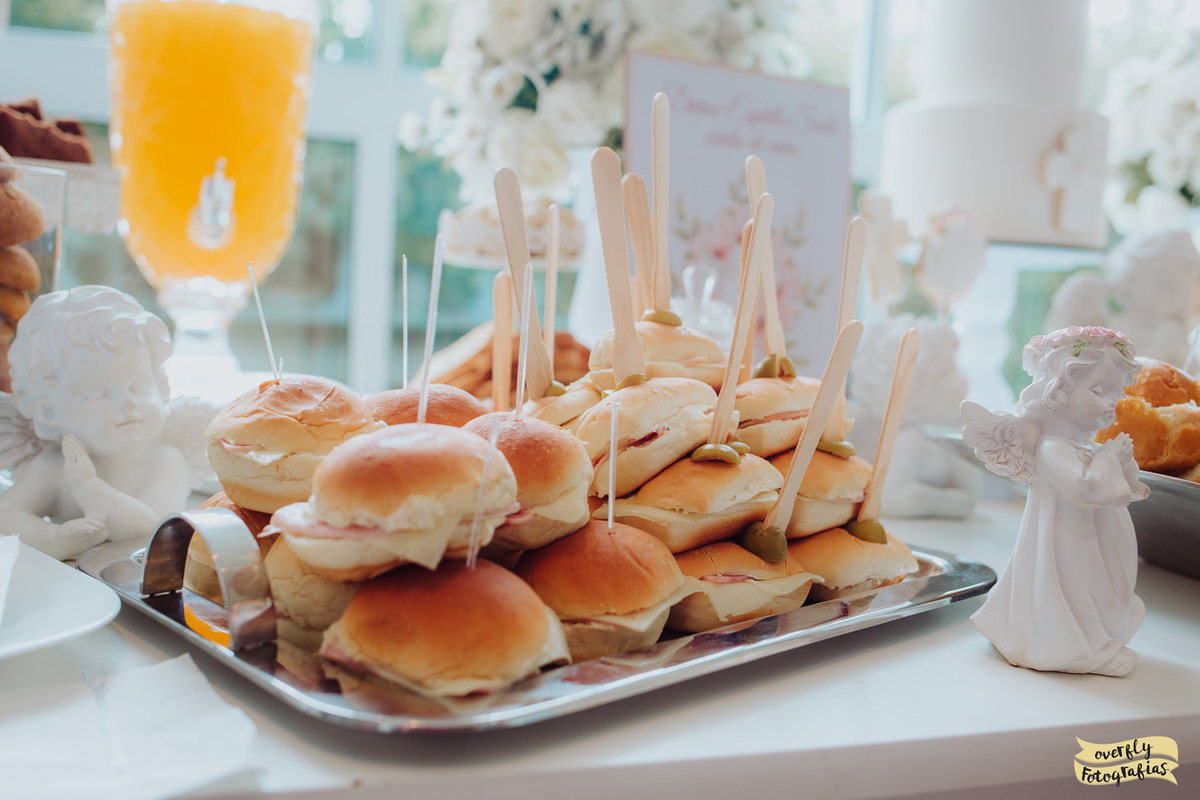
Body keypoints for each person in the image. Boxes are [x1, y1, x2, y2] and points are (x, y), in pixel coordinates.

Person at [962, 326, 1148, 676]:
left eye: (1115, 394)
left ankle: (1098, 639)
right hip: (1069, 545)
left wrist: (1118, 459)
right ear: (1058, 392)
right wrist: (1109, 457)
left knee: (1095, 590)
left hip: (1092, 541)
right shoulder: (1052, 448)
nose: (1111, 402)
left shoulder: (1080, 446)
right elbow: (1086, 488)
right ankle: (1076, 648)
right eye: (1098, 390)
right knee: (1074, 591)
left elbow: (1115, 485)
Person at [0, 286, 190, 560]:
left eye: (139, 386)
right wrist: (52, 539)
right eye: (98, 394)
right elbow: (5, 517)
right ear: (49, 411)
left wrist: (87, 486)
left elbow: (149, 531)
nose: (127, 403)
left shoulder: (165, 461)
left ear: (161, 386)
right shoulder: (54, 465)